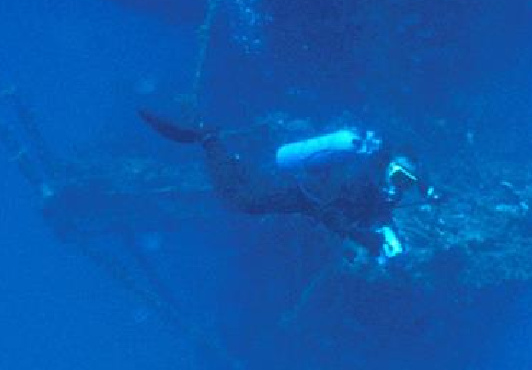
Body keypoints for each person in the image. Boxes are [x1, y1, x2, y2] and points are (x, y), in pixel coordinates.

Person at [139, 110, 438, 261]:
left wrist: (386, 234)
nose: (397, 185)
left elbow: (377, 212)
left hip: (306, 197)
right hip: (301, 192)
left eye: (405, 181)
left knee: (251, 186)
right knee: (240, 200)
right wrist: (359, 237)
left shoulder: (387, 187)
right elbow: (327, 210)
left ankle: (237, 159)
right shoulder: (361, 176)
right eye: (398, 175)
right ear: (389, 164)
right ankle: (208, 139)